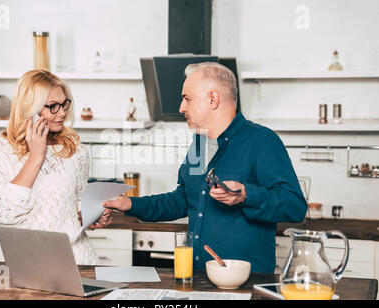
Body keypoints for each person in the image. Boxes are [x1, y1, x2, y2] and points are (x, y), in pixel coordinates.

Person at [103, 62, 307, 273]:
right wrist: (130, 204)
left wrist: (246, 195)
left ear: (213, 98)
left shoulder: (262, 141)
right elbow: (182, 200)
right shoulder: (199, 145)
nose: (181, 107)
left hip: (245, 284)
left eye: (187, 98)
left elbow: (295, 206)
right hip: (198, 279)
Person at [0, 69, 111, 265]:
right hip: (29, 265)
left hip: (78, 261)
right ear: (29, 110)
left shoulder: (77, 151)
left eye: (64, 104)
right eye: (52, 106)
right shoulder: (1, 149)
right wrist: (36, 156)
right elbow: (3, 213)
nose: (62, 112)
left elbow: (77, 207)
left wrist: (93, 215)